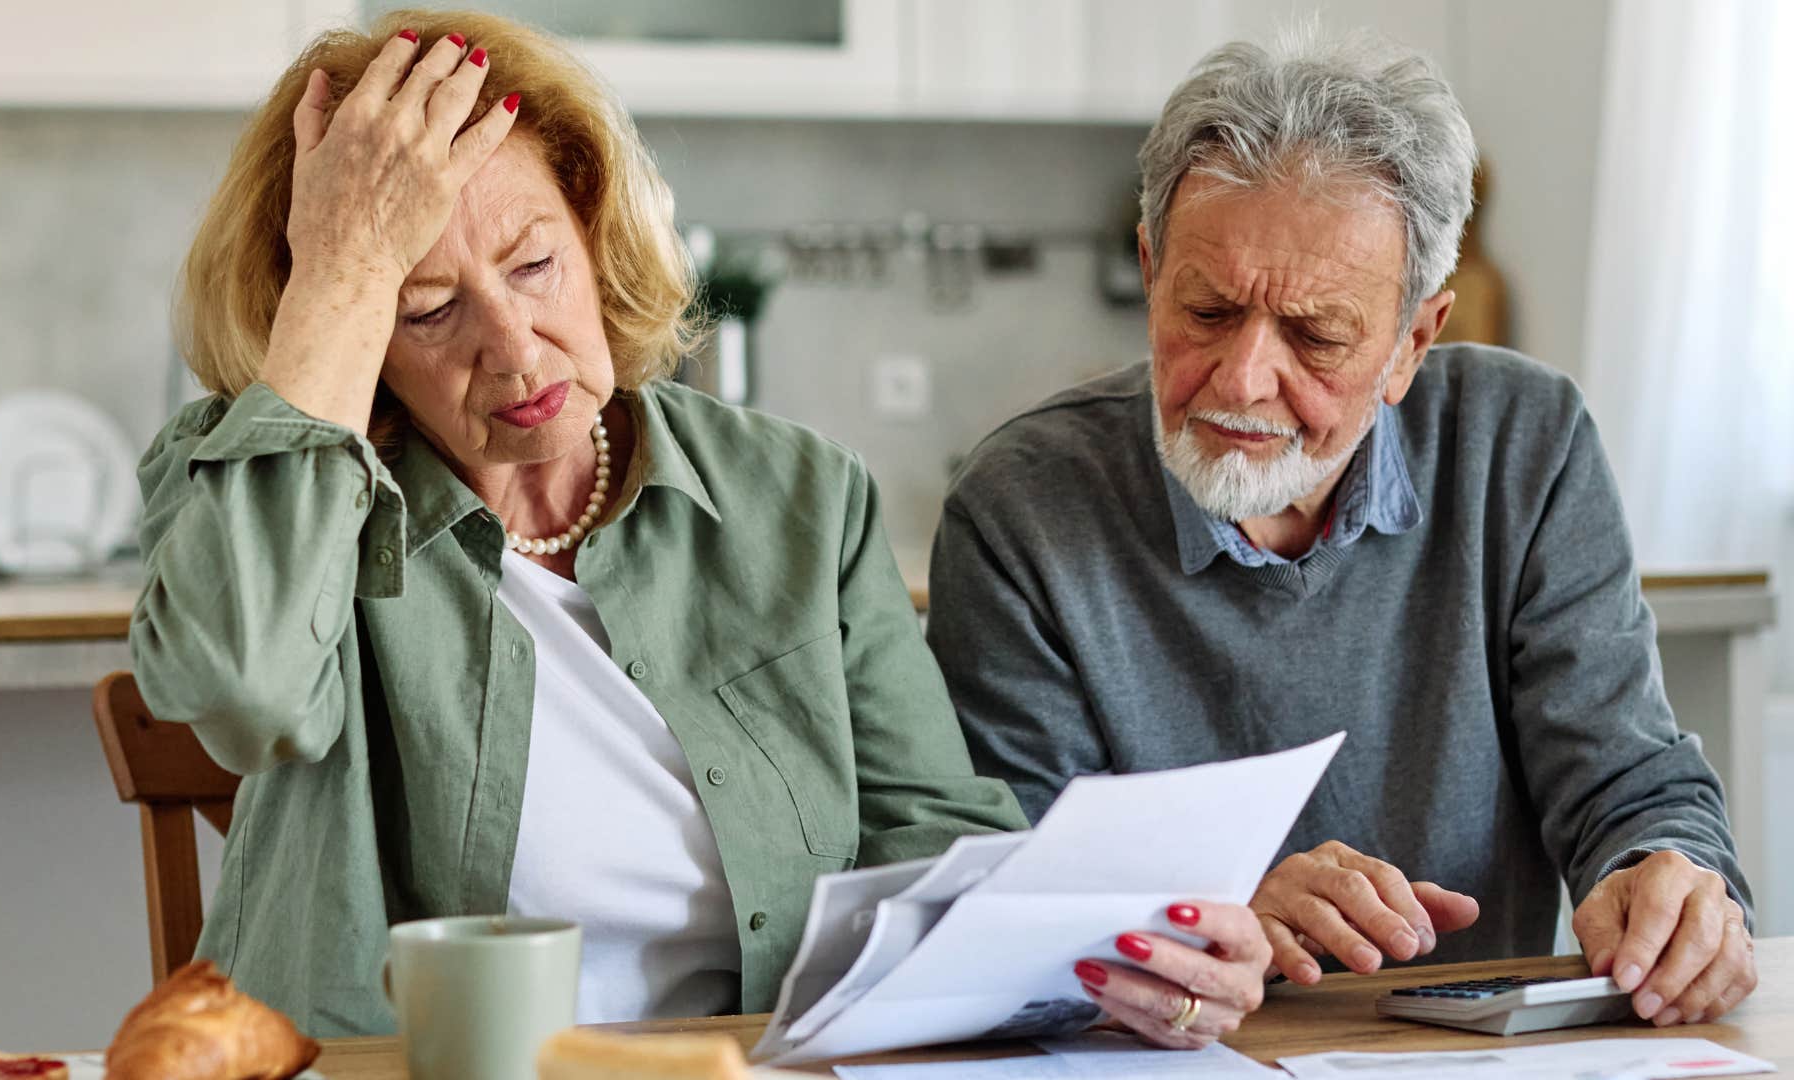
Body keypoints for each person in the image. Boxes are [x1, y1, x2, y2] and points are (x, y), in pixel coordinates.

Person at [134, 10, 1270, 1042]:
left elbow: (931, 845)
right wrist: (340, 269)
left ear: (591, 226)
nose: (519, 349)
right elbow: (246, 692)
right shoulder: (251, 486)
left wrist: (1126, 961)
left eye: (535, 264)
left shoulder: (798, 498)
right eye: (425, 309)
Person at [926, 29, 1759, 1030]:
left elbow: (1629, 779)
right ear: (1151, 269)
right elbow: (1003, 906)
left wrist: (1665, 881)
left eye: (1315, 336)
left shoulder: (1526, 446)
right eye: (1206, 309)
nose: (1241, 380)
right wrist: (1212, 912)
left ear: (1415, 340)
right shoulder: (1021, 504)